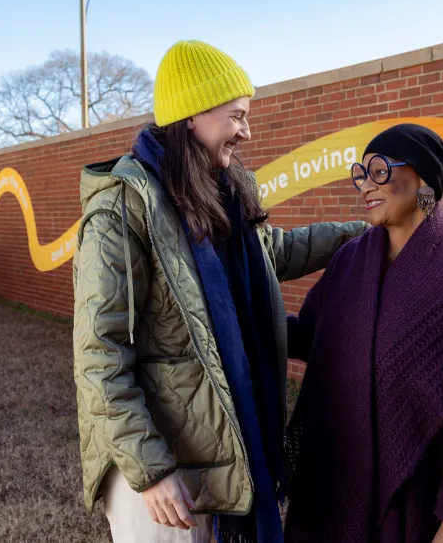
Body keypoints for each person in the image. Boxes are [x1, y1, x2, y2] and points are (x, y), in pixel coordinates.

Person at [72, 40, 369, 543]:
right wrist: (151, 469)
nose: (246, 131)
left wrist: (364, 234)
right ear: (192, 117)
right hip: (163, 470)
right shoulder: (121, 211)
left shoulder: (218, 194)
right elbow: (99, 356)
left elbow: (275, 251)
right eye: (236, 116)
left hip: (221, 452)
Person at [283, 123, 443, 543]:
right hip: (331, 483)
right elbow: (311, 337)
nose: (366, 185)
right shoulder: (350, 260)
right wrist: (242, 321)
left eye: (379, 171)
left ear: (423, 178)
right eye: (360, 174)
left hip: (415, 503)